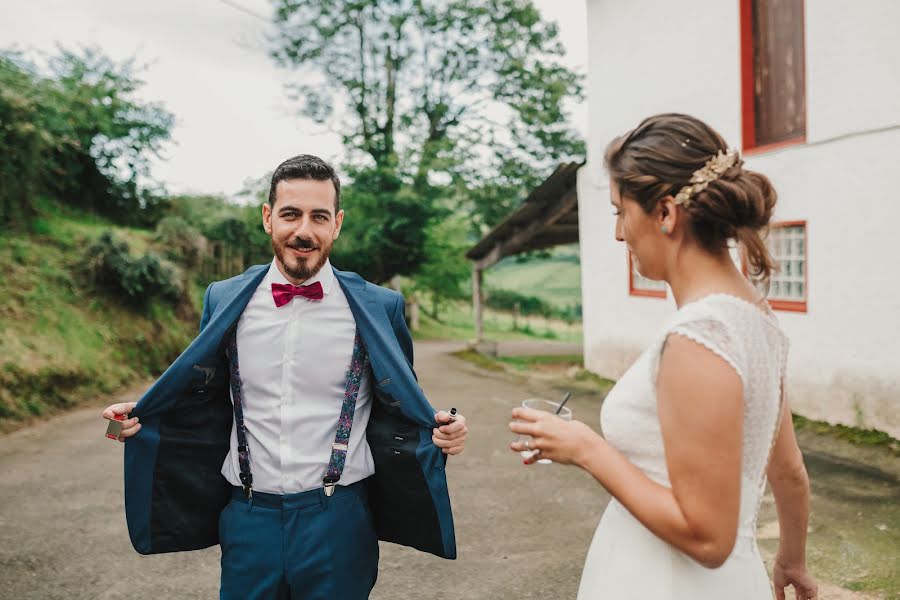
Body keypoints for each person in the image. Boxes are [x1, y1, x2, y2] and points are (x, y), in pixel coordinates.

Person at [102, 154, 468, 599]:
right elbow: (201, 392)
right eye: (291, 214)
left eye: (319, 216)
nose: (304, 231)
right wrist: (142, 414)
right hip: (247, 517)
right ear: (267, 218)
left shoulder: (380, 307)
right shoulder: (224, 298)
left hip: (339, 519)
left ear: (337, 224)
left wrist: (441, 428)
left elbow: (402, 402)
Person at [509, 114, 817, 599]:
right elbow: (789, 470)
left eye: (619, 212)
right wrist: (791, 558)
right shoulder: (758, 320)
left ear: (666, 214)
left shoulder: (699, 336)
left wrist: (587, 449)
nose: (617, 234)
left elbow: (707, 537)